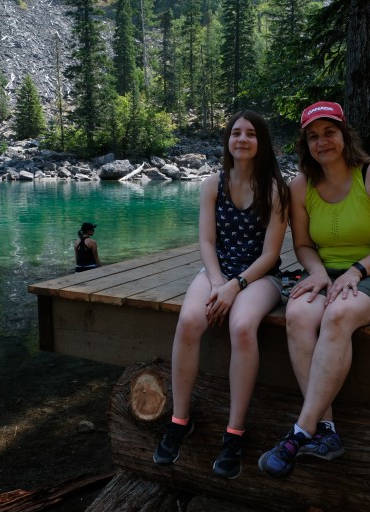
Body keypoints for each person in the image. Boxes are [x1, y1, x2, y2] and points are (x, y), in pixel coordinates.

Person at [257, 101, 370, 479]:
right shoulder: (301, 185)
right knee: (298, 313)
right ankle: (326, 431)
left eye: (329, 133)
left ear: (344, 135)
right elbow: (304, 245)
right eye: (313, 136)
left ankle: (301, 431)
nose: (322, 142)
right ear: (305, 144)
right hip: (325, 271)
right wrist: (318, 271)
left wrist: (358, 270)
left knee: (337, 314)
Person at [153, 110, 291, 479]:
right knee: (189, 320)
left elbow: (271, 256)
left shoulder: (276, 189)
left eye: (250, 134)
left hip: (259, 277)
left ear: (261, 142)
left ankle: (234, 433)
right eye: (235, 133)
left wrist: (236, 285)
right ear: (228, 141)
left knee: (243, 326)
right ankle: (180, 420)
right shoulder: (213, 184)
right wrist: (217, 283)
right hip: (217, 272)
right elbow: (207, 240)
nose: (242, 139)